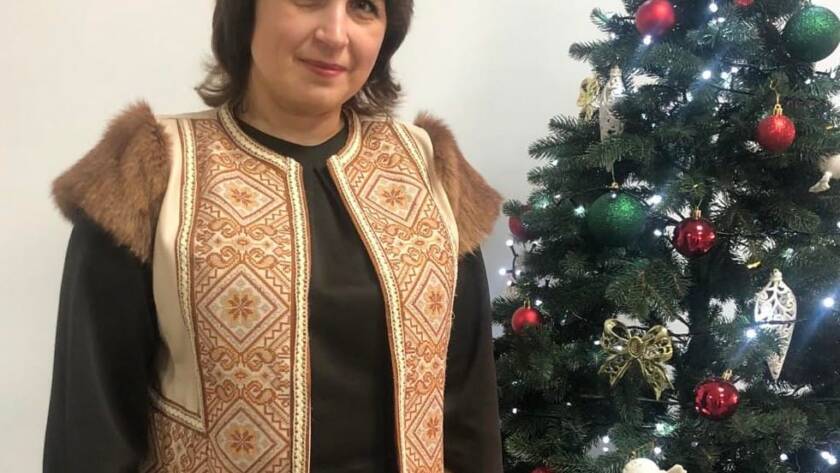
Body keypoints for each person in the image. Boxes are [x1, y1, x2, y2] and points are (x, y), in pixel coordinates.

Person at [43, 1, 505, 472]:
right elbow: (90, 430)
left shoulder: (429, 168)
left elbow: (469, 410)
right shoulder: (151, 170)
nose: (335, 34)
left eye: (364, 7)